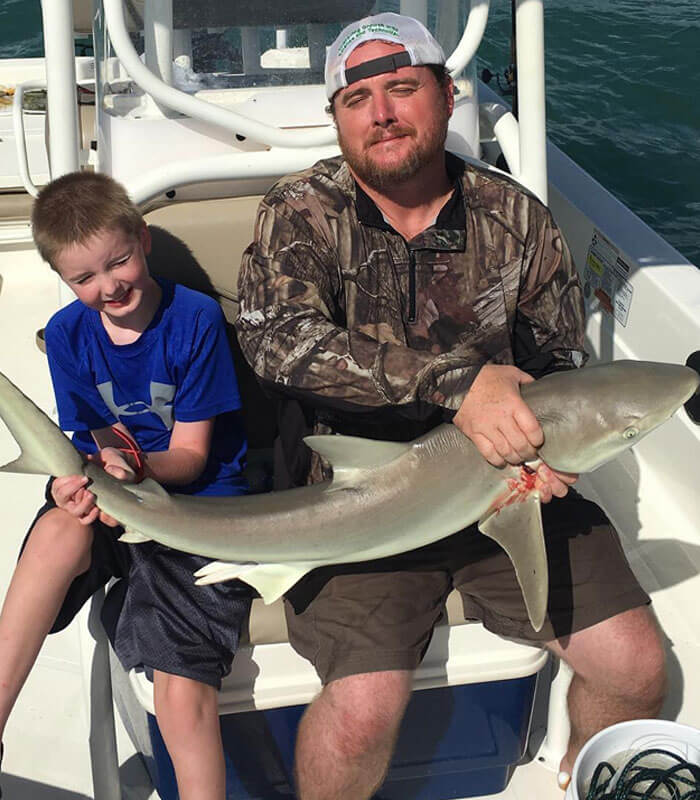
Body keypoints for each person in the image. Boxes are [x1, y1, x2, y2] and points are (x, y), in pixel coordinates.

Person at [236, 12, 667, 799]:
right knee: (363, 711)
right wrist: (456, 383)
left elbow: (556, 357)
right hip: (358, 491)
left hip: (508, 476)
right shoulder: (300, 213)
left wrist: (543, 453)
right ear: (337, 118)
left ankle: (581, 775)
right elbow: (279, 344)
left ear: (446, 94)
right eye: (357, 98)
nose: (382, 113)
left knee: (637, 666)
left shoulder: (514, 216)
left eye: (402, 88)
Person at [0, 171, 251, 800]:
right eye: (85, 278)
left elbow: (192, 458)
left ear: (142, 240)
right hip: (114, 492)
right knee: (60, 528)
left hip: (196, 512)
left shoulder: (195, 321)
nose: (109, 286)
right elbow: (83, 444)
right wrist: (72, 487)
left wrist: (131, 467)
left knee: (181, 681)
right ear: (63, 279)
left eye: (119, 263)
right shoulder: (65, 335)